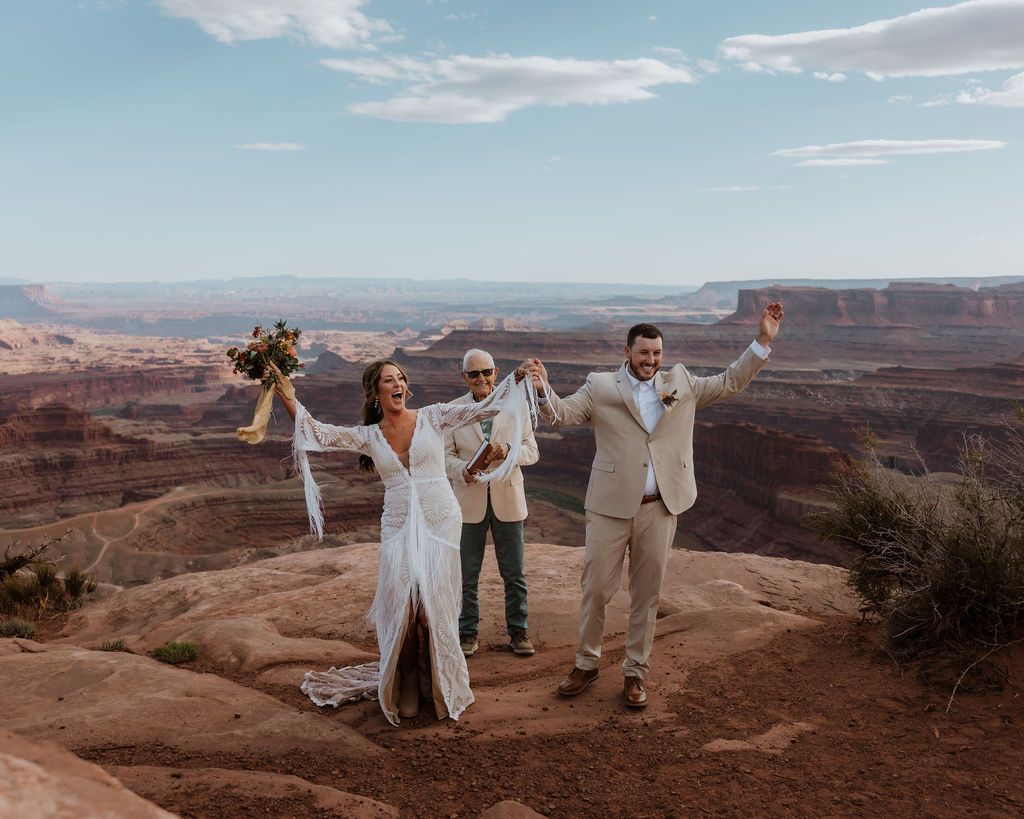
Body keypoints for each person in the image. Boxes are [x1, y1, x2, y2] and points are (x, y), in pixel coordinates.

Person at [525, 302, 784, 709]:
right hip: (610, 506)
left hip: (660, 506)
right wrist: (542, 390)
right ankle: (586, 663)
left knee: (647, 595)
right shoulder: (601, 385)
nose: (651, 360)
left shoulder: (680, 382)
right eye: (644, 353)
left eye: (657, 353)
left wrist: (762, 341)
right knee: (596, 588)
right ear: (627, 352)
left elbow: (731, 381)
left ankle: (635, 673)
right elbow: (562, 414)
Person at [269, 358, 533, 726]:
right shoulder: (368, 435)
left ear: (406, 387)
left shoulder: (434, 416)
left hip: (440, 519)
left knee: (431, 608)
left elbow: (485, 407)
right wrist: (284, 390)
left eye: (400, 379)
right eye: (387, 380)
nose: (397, 384)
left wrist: (517, 378)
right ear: (376, 393)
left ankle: (437, 682)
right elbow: (316, 432)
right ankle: (408, 678)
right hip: (396, 523)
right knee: (405, 607)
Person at [444, 348, 540, 658]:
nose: (482, 378)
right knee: (466, 574)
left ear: (496, 373)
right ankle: (467, 633)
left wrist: (508, 451)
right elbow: (445, 457)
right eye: (474, 374)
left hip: (507, 499)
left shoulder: (517, 406)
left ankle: (518, 631)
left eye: (487, 372)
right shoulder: (453, 410)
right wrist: (464, 471)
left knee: (514, 573)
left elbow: (531, 451)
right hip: (468, 501)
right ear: (465, 378)